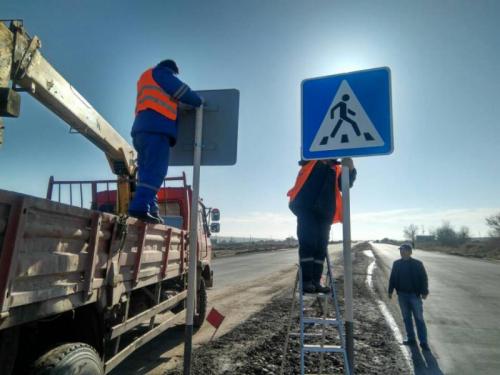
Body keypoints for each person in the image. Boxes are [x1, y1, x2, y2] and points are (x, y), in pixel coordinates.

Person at [128, 59, 203, 223]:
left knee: (147, 173)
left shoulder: (146, 77)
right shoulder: (162, 73)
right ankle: (139, 208)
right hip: (157, 130)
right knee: (156, 171)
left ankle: (152, 209)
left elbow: (160, 98)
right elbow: (180, 90)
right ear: (172, 70)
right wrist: (197, 101)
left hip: (141, 131)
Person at [287, 158, 356, 293]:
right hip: (307, 209)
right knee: (309, 244)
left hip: (325, 213)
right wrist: (320, 158)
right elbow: (304, 156)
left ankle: (316, 281)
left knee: (320, 249)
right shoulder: (311, 161)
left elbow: (345, 185)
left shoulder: (335, 169)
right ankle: (306, 281)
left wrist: (351, 168)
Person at [388, 243, 430, 351]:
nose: (402, 252)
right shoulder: (397, 264)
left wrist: (424, 291)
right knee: (407, 318)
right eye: (401, 250)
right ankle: (411, 338)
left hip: (414, 295)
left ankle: (423, 342)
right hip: (402, 295)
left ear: (410, 252)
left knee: (419, 319)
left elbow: (424, 278)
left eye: (404, 250)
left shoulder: (417, 264)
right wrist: (390, 291)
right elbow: (392, 278)